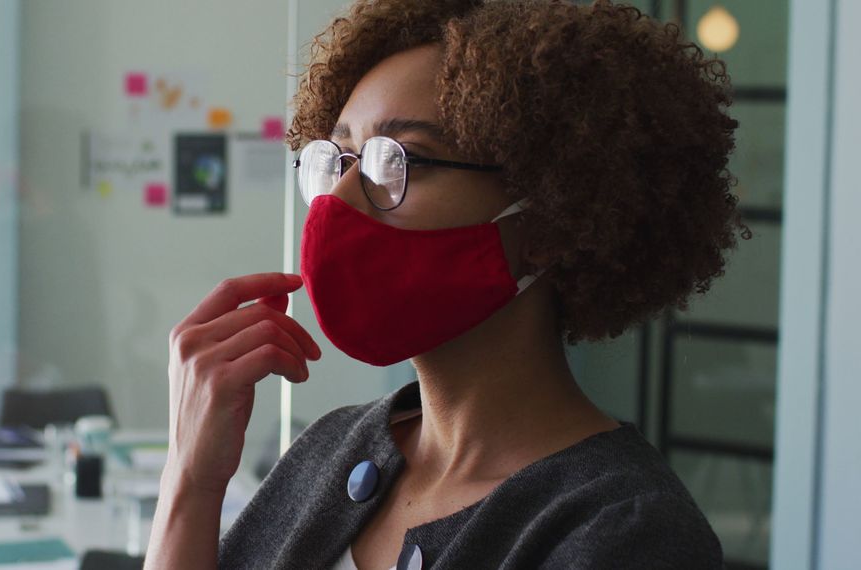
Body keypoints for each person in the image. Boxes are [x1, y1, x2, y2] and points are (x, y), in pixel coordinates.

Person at [146, 0, 749, 568]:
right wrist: (191, 479)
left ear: (548, 219)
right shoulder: (333, 447)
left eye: (399, 159)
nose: (338, 201)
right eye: (339, 159)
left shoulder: (628, 531)